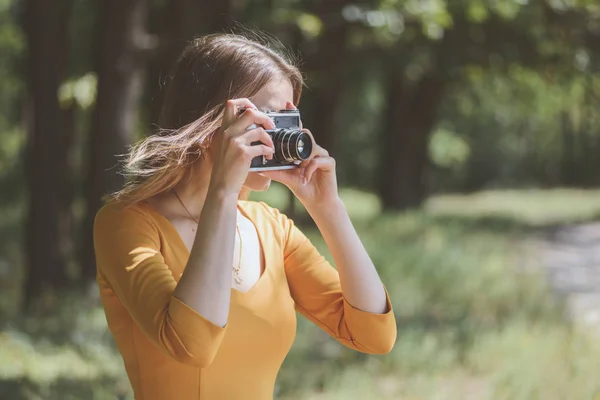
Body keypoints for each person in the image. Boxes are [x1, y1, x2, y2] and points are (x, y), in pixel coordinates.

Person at [93, 33, 396, 400]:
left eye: (288, 118)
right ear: (210, 123)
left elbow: (375, 335)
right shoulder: (126, 223)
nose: (283, 136)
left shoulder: (272, 229)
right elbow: (192, 346)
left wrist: (328, 209)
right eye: (267, 119)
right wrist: (222, 190)